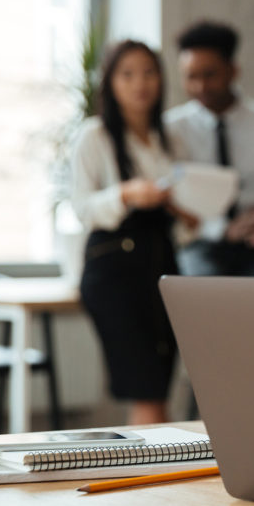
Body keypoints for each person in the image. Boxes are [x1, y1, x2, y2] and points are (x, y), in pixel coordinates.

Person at [72, 40, 195, 425]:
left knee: (159, 385)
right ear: (110, 82)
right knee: (147, 390)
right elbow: (82, 208)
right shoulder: (94, 136)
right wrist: (126, 193)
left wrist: (185, 211)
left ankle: (148, 478)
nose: (140, 83)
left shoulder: (169, 138)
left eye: (149, 72)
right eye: (127, 74)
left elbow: (186, 211)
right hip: (115, 272)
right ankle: (149, 482)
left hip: (161, 267)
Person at [165, 21, 254, 277]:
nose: (200, 87)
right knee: (199, 293)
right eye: (190, 76)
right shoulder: (172, 129)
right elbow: (171, 204)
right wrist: (220, 229)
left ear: (233, 71)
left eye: (209, 74)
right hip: (201, 243)